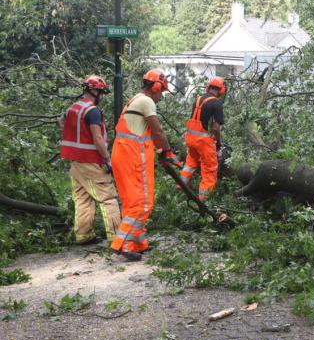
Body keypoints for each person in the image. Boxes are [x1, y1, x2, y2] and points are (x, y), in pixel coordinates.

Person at [109, 69, 181, 261]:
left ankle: (137, 243)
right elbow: (157, 132)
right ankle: (123, 244)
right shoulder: (147, 101)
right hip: (133, 155)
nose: (161, 97)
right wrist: (168, 152)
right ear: (156, 86)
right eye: (162, 92)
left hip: (122, 153)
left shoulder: (135, 99)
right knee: (143, 202)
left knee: (132, 201)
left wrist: (161, 152)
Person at [60, 75, 121, 245]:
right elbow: (98, 139)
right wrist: (107, 159)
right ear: (94, 91)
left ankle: (83, 235)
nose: (101, 96)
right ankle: (117, 238)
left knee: (83, 198)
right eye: (101, 92)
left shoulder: (73, 108)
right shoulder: (92, 111)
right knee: (108, 198)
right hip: (91, 162)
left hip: (75, 162)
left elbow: (62, 123)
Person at [179, 76, 226, 200]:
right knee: (209, 170)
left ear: (209, 87)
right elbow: (216, 128)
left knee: (190, 163)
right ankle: (204, 201)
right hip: (203, 142)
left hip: (190, 138)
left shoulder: (198, 99)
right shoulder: (217, 103)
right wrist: (218, 144)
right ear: (221, 90)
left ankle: (181, 188)